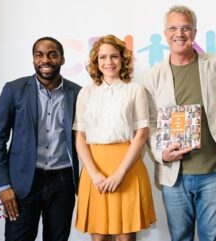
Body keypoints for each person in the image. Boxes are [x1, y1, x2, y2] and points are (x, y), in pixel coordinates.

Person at [143, 5, 216, 241]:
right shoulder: (153, 75)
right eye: (173, 28)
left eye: (185, 28)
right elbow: (149, 123)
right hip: (174, 175)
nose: (179, 34)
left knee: (214, 237)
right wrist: (161, 153)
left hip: (213, 173)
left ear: (195, 32)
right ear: (165, 33)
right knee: (180, 237)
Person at [0, 36, 81, 241]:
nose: (45, 60)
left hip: (63, 183)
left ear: (62, 59)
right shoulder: (14, 90)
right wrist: (3, 185)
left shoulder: (77, 93)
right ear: (33, 59)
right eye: (39, 55)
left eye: (52, 54)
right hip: (23, 184)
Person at [73, 34, 156, 241]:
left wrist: (119, 174)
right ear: (95, 61)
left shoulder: (136, 90)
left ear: (122, 59)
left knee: (125, 238)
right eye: (102, 57)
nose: (108, 62)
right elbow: (80, 138)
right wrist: (94, 174)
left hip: (127, 167)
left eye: (114, 56)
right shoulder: (85, 93)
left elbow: (141, 134)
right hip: (95, 170)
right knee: (99, 237)